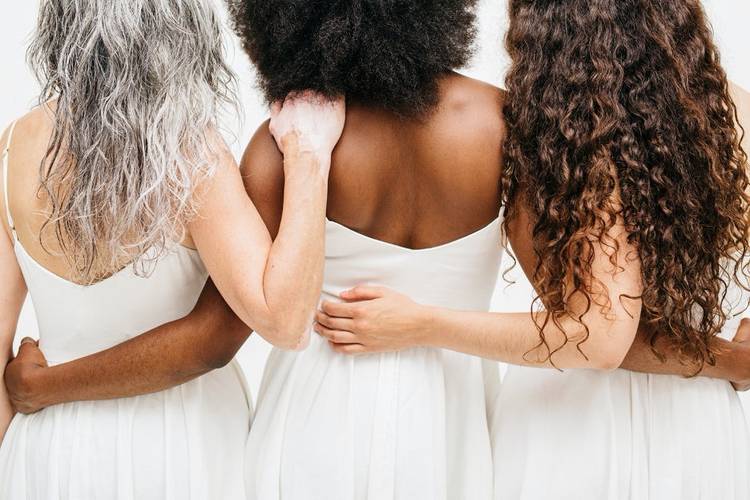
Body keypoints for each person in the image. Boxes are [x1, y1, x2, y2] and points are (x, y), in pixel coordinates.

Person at [5, 0, 746, 498]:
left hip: (314, 410)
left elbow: (220, 332)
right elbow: (577, 320)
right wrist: (717, 352)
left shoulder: (283, 140)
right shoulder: (506, 125)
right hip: (453, 406)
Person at [314, 1, 750, 498]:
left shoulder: (572, 140)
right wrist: (728, 360)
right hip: (700, 430)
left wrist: (421, 323)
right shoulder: (731, 117)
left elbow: (597, 335)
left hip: (573, 429)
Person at [0, 0, 344, 498]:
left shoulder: (12, 148)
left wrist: (20, 459)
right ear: (180, 36)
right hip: (183, 446)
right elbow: (287, 322)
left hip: (47, 448)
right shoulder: (188, 154)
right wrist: (308, 159)